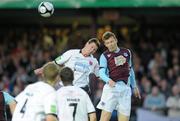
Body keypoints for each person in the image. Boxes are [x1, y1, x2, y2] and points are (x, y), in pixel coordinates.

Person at [97, 31, 141, 121]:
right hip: (111, 89)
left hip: (125, 89)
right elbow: (101, 72)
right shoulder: (104, 56)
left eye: (112, 41)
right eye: (108, 43)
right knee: (104, 118)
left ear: (116, 40)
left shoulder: (127, 52)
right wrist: (108, 80)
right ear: (105, 45)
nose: (111, 44)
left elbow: (130, 69)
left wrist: (134, 86)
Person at [35, 38, 100, 94]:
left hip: (81, 89)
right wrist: (41, 69)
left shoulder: (94, 61)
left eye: (94, 50)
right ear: (87, 44)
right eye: (91, 47)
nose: (92, 50)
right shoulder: (71, 53)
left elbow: (100, 76)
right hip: (65, 86)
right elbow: (55, 63)